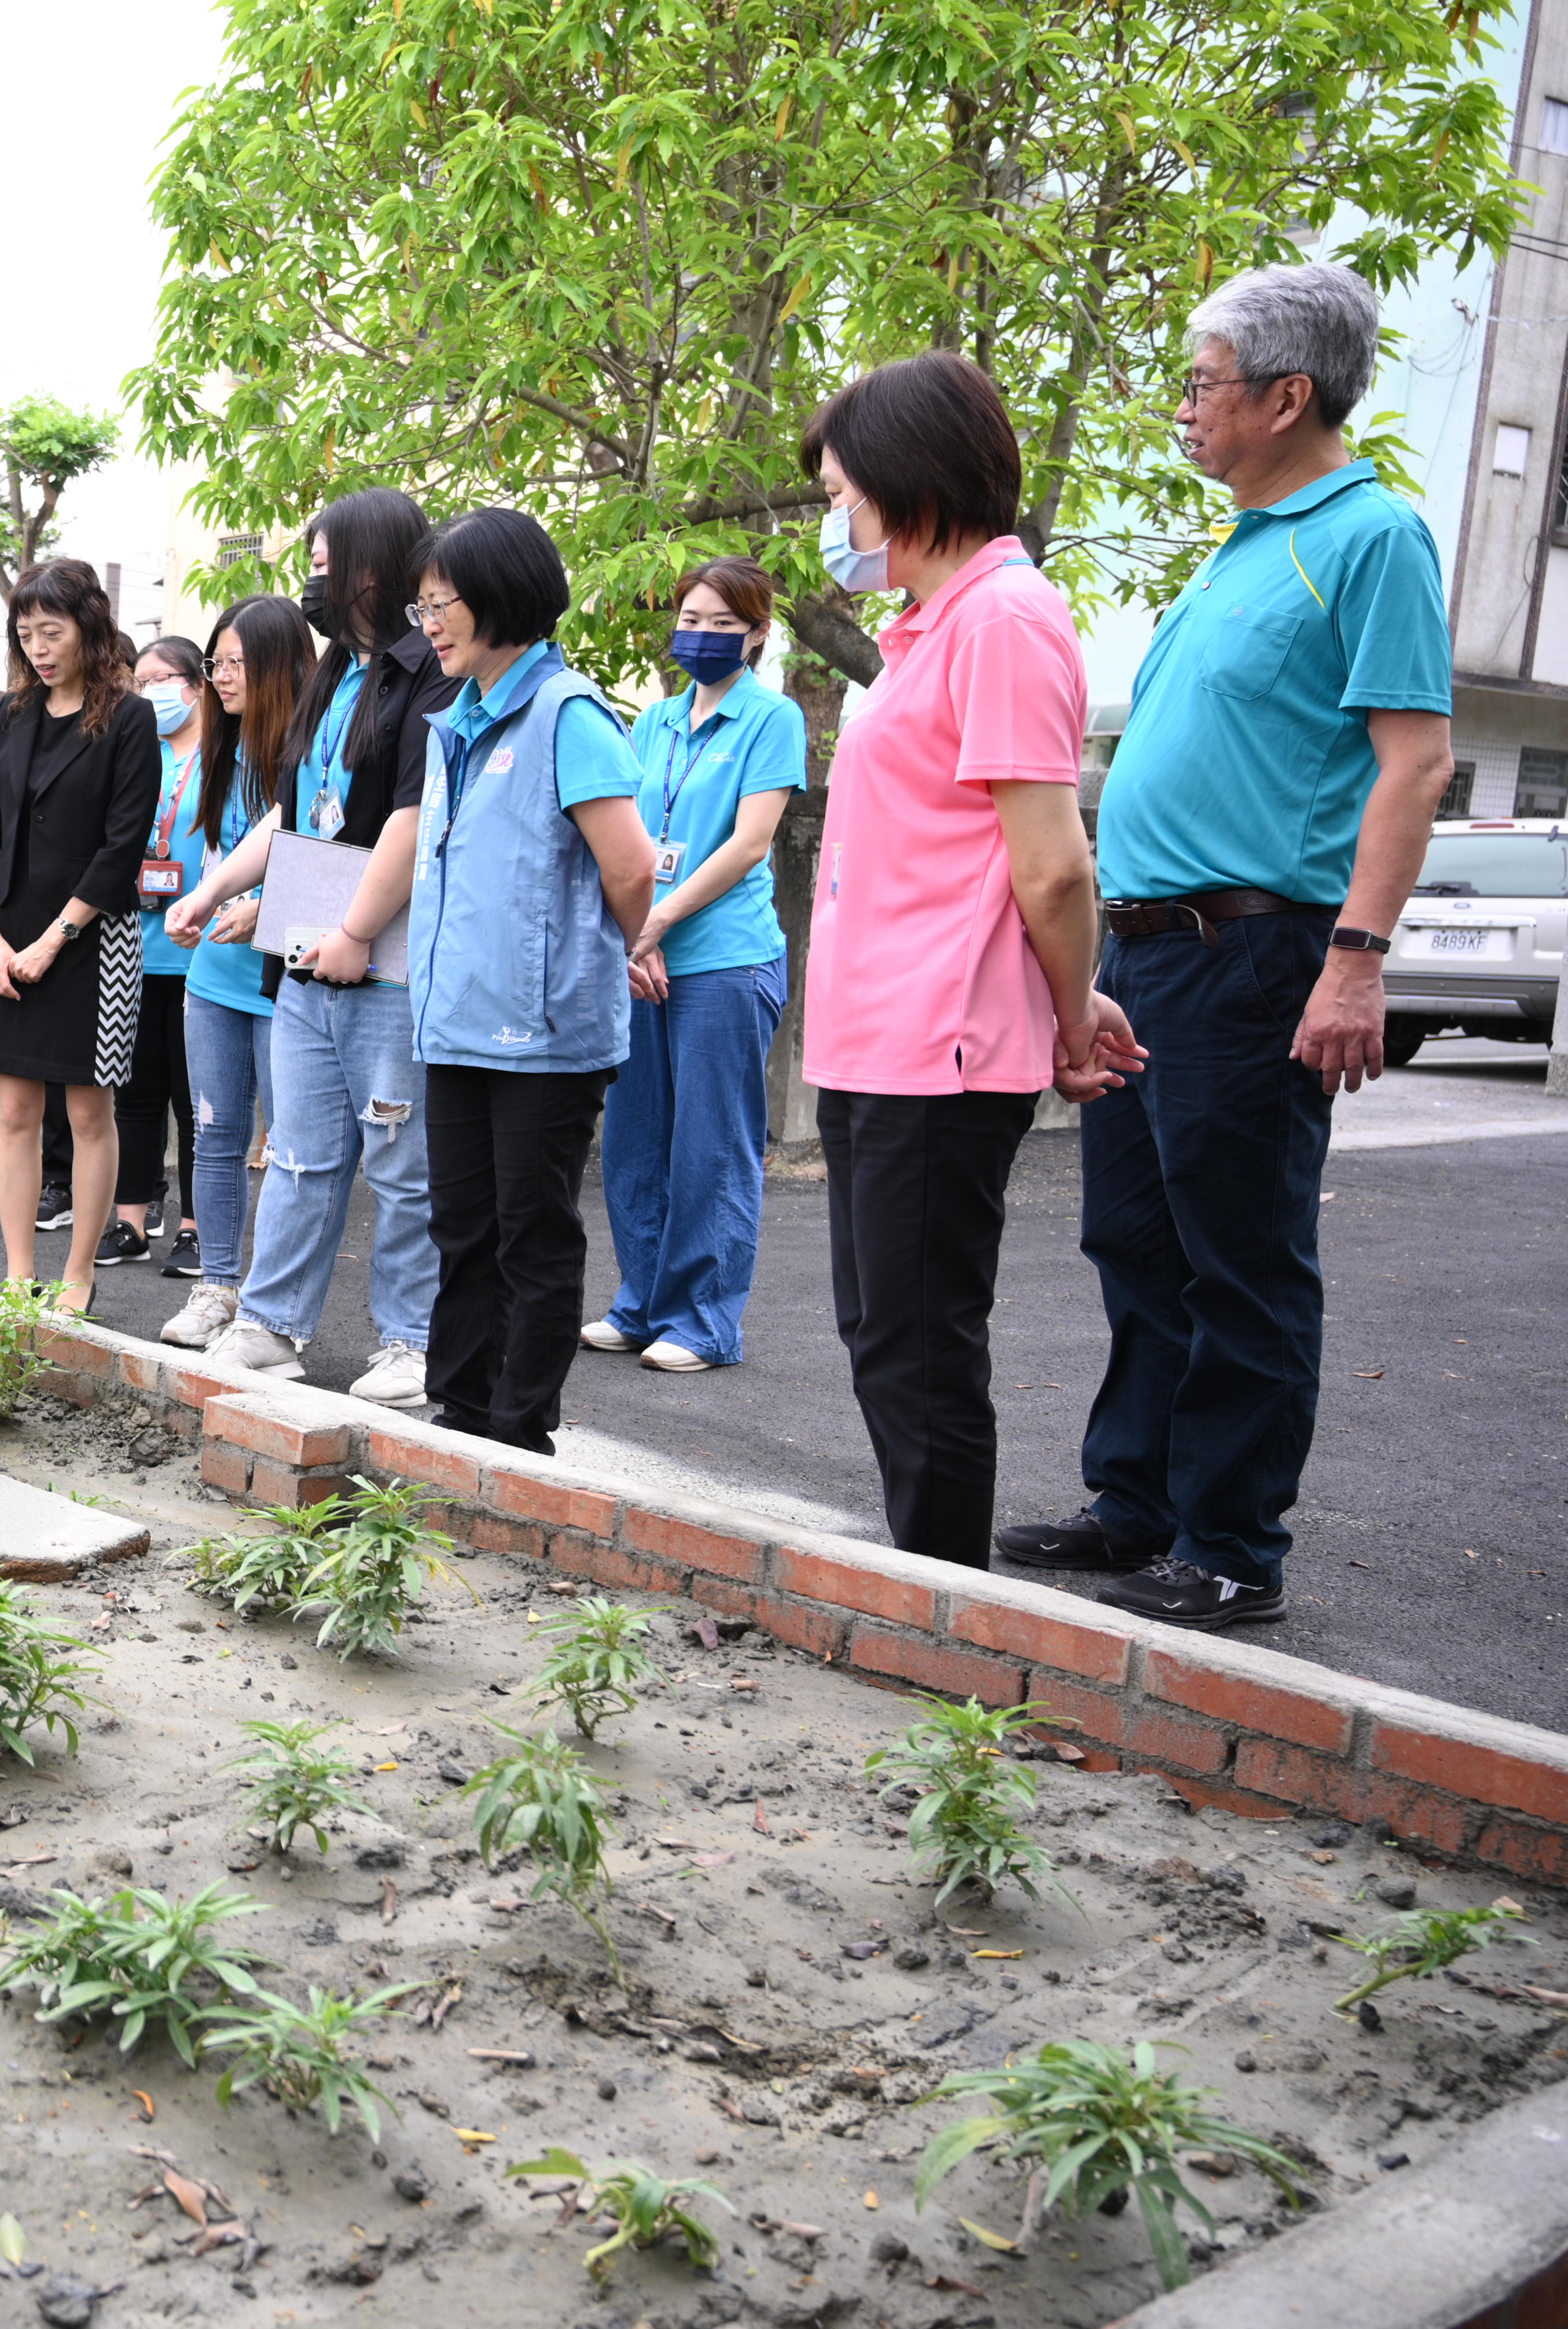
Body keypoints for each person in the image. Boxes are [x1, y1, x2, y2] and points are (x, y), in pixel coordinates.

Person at [996, 262, 1455, 1630]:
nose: (1184, 406)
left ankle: (1234, 1543)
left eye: (1202, 380)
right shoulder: (1244, 544)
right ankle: (1137, 1502)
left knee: (1241, 1247)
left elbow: (1416, 762)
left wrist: (1356, 958)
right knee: (1136, 1237)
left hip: (1257, 954)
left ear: (1285, 393)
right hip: (1147, 955)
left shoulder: (1368, 536)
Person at [800, 352, 1129, 1566]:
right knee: (883, 1334)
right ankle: (931, 1595)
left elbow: (1051, 863)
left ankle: (949, 1623)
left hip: (936, 1041)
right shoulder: (927, 625)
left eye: (845, 490)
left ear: (907, 477)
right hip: (874, 1029)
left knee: (921, 1345)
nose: (839, 517)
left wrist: (1068, 1010)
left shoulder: (1004, 616)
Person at [167, 487, 458, 1404]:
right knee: (298, 1151)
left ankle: (411, 1339)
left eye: (326, 565)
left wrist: (355, 931)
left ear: (375, 566)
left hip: (389, 959)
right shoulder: (338, 671)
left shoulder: (431, 674)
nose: (313, 583)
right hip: (307, 955)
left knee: (400, 1159)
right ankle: (272, 1322)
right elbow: (295, 813)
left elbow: (413, 821)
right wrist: (214, 888)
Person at [396, 508, 655, 1454]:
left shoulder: (566, 711)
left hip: (544, 1030)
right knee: (459, 1224)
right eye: (420, 603)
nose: (428, 620)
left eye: (443, 601)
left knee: (529, 1230)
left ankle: (518, 1428)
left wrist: (636, 945)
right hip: (456, 1021)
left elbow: (628, 865)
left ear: (503, 593)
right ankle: (458, 1408)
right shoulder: (451, 721)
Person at [585, 559, 807, 1374]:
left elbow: (750, 843)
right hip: (644, 956)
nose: (703, 635)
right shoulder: (653, 724)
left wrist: (662, 918)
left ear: (756, 634)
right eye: (692, 618)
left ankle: (706, 1321)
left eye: (723, 623)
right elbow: (629, 838)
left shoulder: (770, 718)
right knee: (635, 1140)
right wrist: (630, 933)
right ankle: (641, 1304)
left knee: (710, 1146)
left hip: (723, 959)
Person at [0, 560, 161, 1310]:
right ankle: (18, 1272)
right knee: (15, 1112)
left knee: (87, 1112)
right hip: (8, 938)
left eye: (53, 631)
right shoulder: (10, 715)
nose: (40, 648)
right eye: (26, 635)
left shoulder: (129, 718)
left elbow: (123, 846)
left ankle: (79, 1273)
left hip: (93, 940)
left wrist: (54, 939)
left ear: (89, 627)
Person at [157, 595, 314, 1348]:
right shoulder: (219, 749)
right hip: (213, 977)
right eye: (214, 663)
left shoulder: (309, 751)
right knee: (214, 1136)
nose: (220, 677)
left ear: (281, 665)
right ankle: (216, 1287)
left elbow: (333, 858)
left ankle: (277, 1311)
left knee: (291, 1148)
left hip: (287, 983)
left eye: (236, 664)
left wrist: (266, 909)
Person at [102, 635, 212, 1273]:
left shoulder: (232, 757)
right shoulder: (136, 755)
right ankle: (131, 1222)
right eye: (137, 684)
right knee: (135, 1096)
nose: (149, 695)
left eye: (162, 679)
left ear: (197, 685)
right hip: (136, 951)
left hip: (202, 955)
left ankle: (197, 1230)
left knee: (198, 1103)